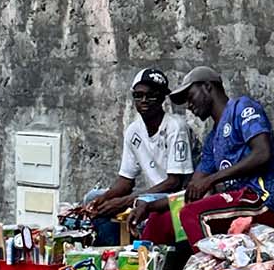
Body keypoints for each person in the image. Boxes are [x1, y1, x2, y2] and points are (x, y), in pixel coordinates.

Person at [137, 65, 274, 246]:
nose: (189, 106)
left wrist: (212, 179)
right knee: (160, 220)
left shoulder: (242, 107)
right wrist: (150, 207)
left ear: (208, 87)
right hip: (231, 207)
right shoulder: (212, 139)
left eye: (190, 98)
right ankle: (142, 269)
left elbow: (262, 154)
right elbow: (194, 190)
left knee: (192, 214)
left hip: (260, 202)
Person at [72, 68, 196, 226]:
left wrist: (125, 201)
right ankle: (106, 245)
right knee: (92, 198)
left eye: (151, 95)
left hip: (173, 195)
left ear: (162, 99)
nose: (144, 100)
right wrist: (106, 197)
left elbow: (173, 182)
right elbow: (125, 181)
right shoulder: (133, 131)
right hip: (151, 194)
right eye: (138, 95)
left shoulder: (175, 126)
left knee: (141, 202)